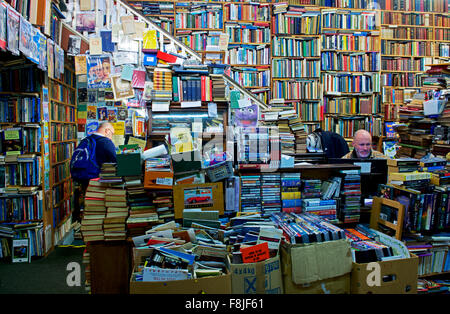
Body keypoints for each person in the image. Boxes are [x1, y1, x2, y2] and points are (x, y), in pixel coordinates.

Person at [71, 122, 117, 221]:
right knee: (98, 206)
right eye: (112, 133)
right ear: (107, 131)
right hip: (98, 180)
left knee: (88, 204)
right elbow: (116, 160)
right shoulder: (106, 142)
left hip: (83, 178)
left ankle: (85, 221)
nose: (112, 137)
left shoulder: (86, 140)